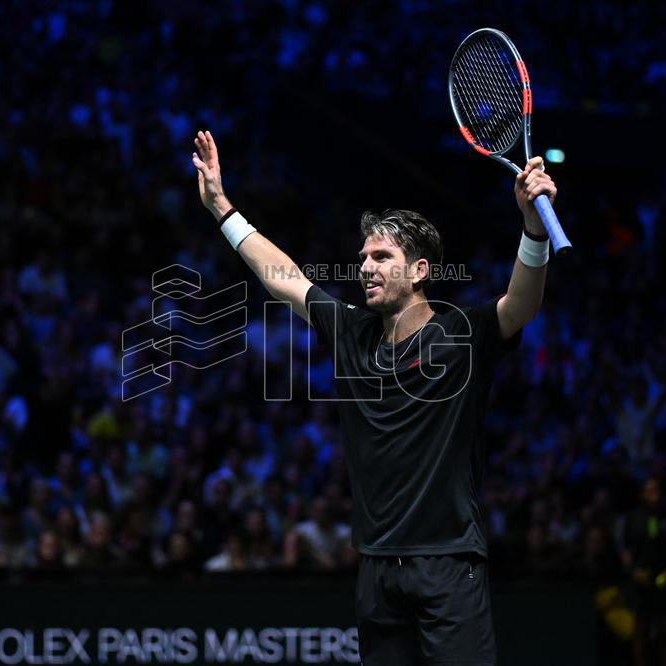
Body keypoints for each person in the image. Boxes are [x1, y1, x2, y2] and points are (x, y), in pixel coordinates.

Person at [192, 130, 556, 665]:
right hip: (377, 572)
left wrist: (532, 228)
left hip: (449, 566)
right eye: (363, 256)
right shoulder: (351, 333)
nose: (365, 266)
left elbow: (521, 303)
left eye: (382, 256)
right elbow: (284, 278)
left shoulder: (462, 336)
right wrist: (224, 208)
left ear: (419, 270)